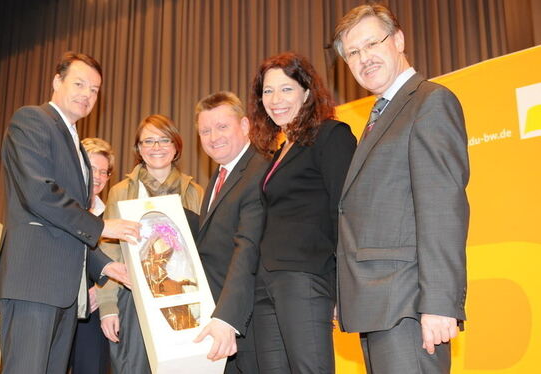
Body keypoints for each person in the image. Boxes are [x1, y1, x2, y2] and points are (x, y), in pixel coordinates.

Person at [332, 4, 469, 373]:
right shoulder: (380, 117)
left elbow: (442, 209)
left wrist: (440, 303)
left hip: (408, 304)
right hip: (378, 306)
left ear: (398, 40)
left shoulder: (429, 102)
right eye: (353, 53)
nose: (363, 59)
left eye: (371, 43)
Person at [0, 52, 141, 374]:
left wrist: (108, 266)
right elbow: (39, 193)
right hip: (34, 282)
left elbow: (68, 225)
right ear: (57, 82)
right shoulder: (32, 120)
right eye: (79, 83)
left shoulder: (78, 148)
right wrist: (101, 226)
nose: (87, 94)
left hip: (64, 290)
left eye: (95, 89)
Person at [249, 52, 357, 374]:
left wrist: (343, 287)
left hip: (306, 277)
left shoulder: (331, 135)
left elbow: (345, 211)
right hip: (266, 281)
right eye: (268, 91)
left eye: (286, 89)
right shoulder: (281, 149)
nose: (275, 99)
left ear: (307, 92)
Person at [97, 114, 204, 373]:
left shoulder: (195, 192)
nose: (156, 147)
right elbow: (109, 250)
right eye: (148, 141)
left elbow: (203, 252)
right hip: (132, 298)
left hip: (181, 299)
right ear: (139, 149)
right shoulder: (120, 191)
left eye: (164, 139)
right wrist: (108, 307)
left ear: (176, 146)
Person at [192, 91, 268, 373]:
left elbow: (247, 248)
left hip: (245, 323)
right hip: (222, 322)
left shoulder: (259, 170)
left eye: (222, 127)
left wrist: (227, 318)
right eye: (205, 131)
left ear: (245, 126)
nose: (214, 137)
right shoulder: (219, 176)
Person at [69, 137, 115, 374]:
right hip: (57, 306)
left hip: (94, 312)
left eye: (104, 172)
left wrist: (101, 290)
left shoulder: (111, 217)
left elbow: (120, 263)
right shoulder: (56, 208)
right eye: (92, 168)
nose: (97, 176)